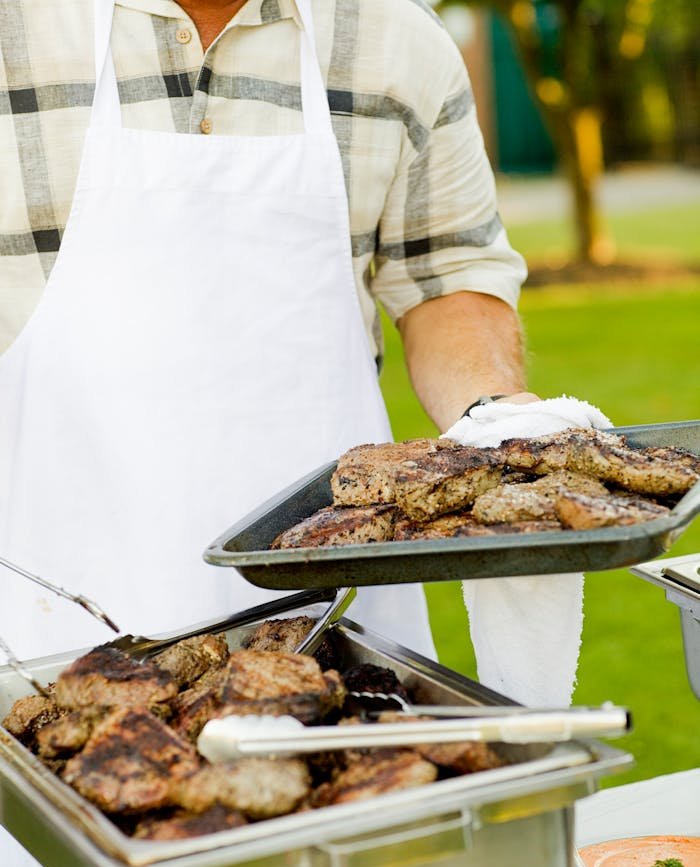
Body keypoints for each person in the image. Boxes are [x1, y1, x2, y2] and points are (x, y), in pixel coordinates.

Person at [0, 0, 533, 662]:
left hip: (330, 626)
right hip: (46, 623)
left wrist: (497, 418)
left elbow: (446, 275)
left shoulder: (398, 38)